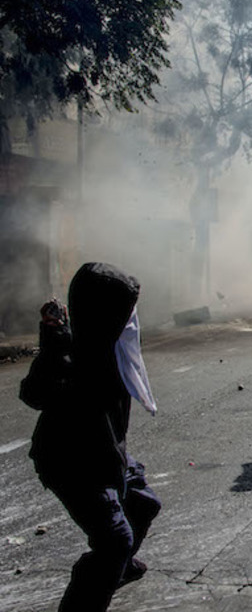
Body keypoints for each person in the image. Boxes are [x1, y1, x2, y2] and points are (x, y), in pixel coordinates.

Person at [20, 262, 162, 611]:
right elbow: (34, 393)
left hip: (105, 451)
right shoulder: (71, 350)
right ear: (105, 314)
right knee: (114, 540)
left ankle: (117, 569)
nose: (131, 320)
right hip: (69, 463)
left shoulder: (112, 346)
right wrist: (54, 343)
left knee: (143, 504)